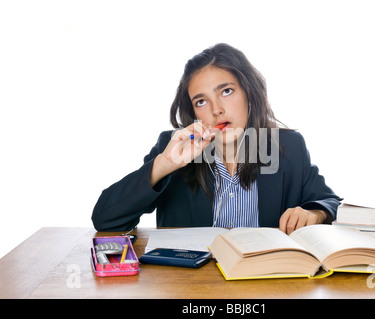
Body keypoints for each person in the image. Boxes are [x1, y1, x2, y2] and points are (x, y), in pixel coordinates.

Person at [91, 43, 342, 235]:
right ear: (193, 111)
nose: (216, 109)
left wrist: (316, 213)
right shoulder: (172, 148)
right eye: (201, 101)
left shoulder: (289, 146)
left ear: (249, 93)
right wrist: (165, 164)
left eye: (226, 91)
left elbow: (331, 203)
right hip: (193, 287)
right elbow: (105, 219)